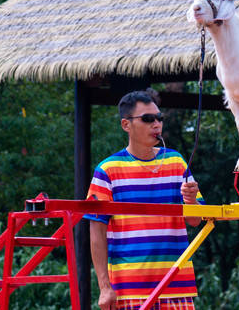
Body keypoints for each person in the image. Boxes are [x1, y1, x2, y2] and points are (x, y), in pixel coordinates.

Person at [86, 89, 203, 310]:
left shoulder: (177, 162)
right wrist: (104, 287)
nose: (156, 124)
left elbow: (196, 221)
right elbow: (96, 232)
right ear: (126, 125)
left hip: (176, 286)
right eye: (148, 119)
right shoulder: (107, 170)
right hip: (129, 290)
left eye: (159, 118)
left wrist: (191, 202)